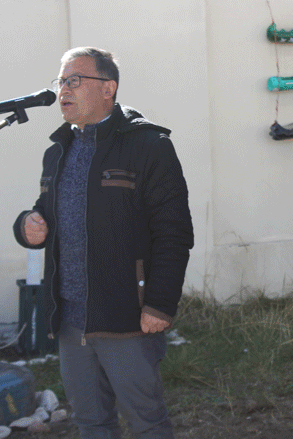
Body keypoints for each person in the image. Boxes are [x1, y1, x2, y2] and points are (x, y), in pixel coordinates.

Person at [13, 47, 194, 439]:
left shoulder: (149, 146)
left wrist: (160, 303)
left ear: (108, 88)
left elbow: (174, 232)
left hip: (127, 317)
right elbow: (45, 213)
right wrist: (27, 224)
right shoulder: (57, 151)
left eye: (75, 80)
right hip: (71, 321)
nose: (64, 90)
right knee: (90, 423)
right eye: (61, 81)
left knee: (147, 423)